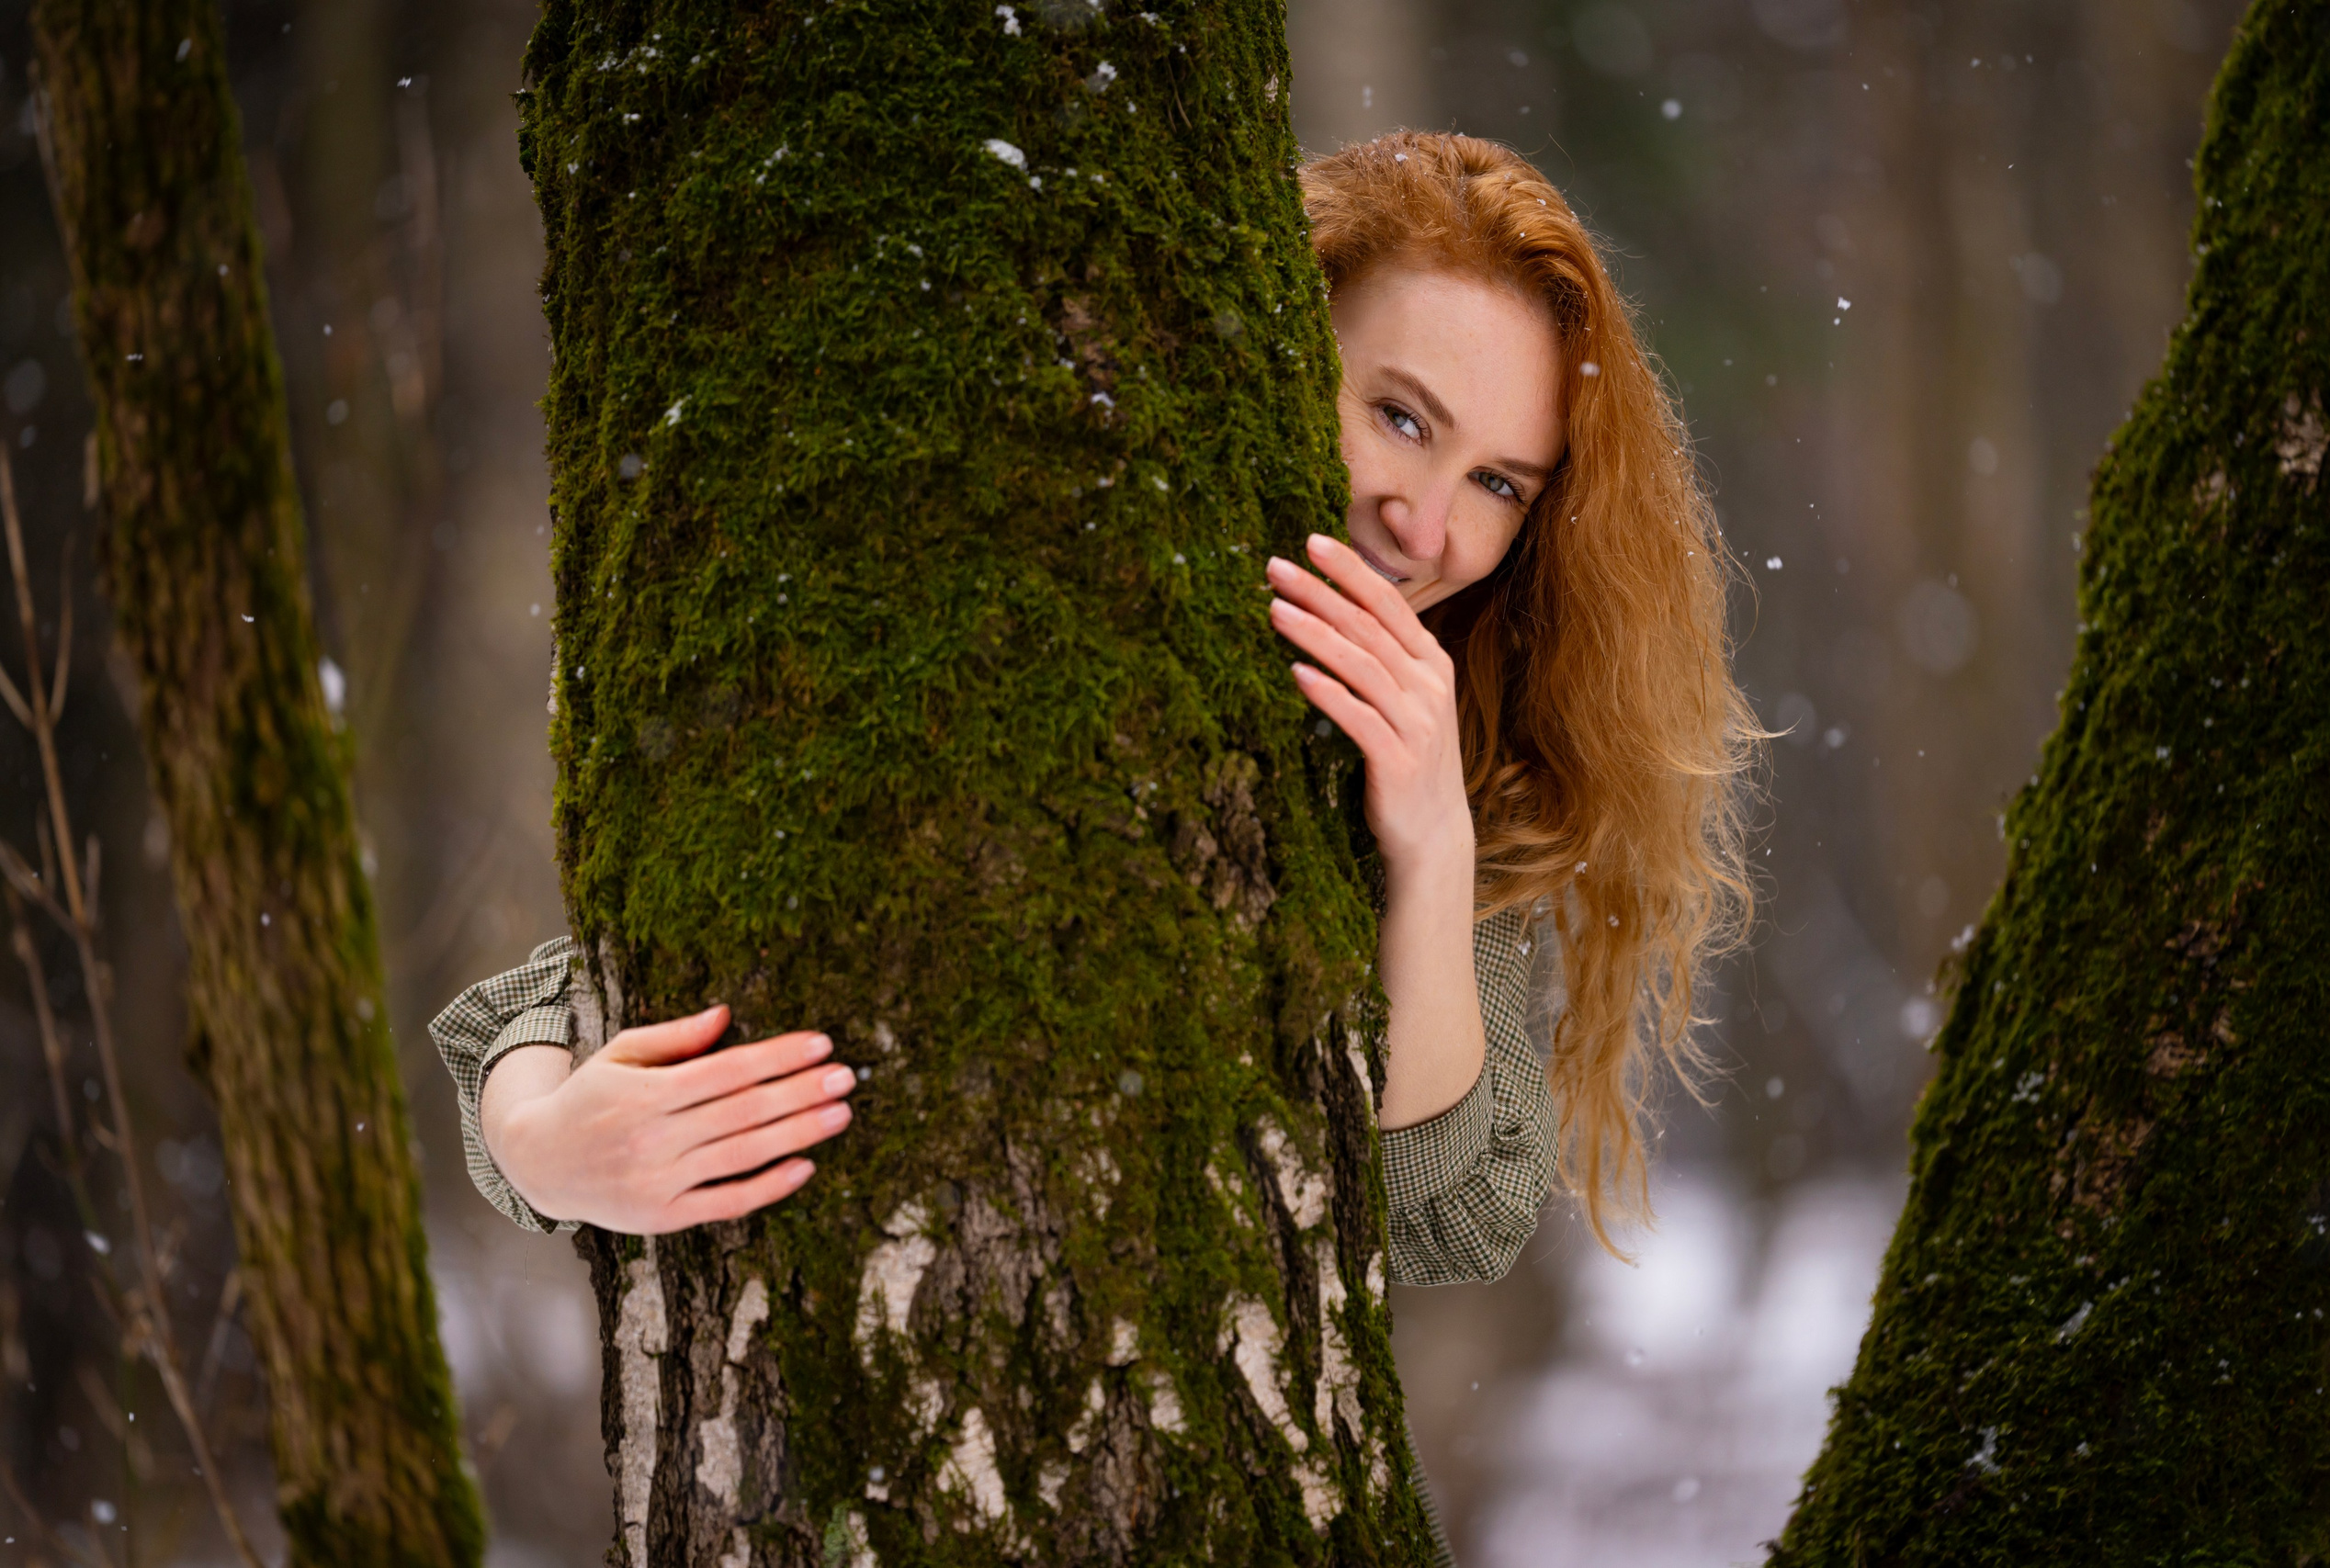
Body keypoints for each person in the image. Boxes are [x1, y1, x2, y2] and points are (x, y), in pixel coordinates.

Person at [432, 128, 1755, 1543]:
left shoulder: (1457, 742)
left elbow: (1444, 1209)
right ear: (1261, 342)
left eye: (1500, 484)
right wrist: (540, 1145)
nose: (1424, 526)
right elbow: (553, 995)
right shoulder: (1061, 569)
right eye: (1402, 417)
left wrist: (1428, 843)